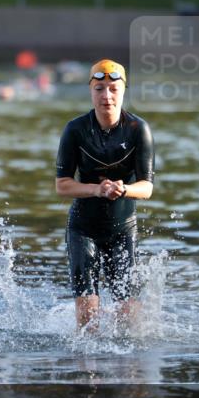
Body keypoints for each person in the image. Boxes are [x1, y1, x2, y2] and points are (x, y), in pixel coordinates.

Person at [55, 59, 154, 332]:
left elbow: (147, 187)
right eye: (99, 88)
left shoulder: (138, 130)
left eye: (113, 88)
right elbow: (62, 185)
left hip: (123, 229)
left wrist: (124, 189)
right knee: (88, 324)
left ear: (123, 91)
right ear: (90, 91)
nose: (106, 96)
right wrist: (96, 190)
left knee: (130, 322)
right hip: (83, 229)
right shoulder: (75, 130)